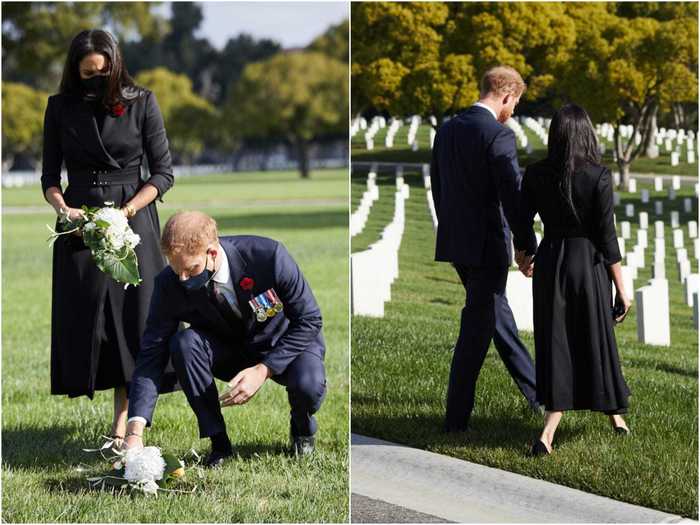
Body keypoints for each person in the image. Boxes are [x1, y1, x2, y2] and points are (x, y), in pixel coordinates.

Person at [41, 29, 174, 447]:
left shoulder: (143, 102)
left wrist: (128, 211)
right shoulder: (59, 107)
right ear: (75, 71)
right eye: (86, 74)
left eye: (102, 72)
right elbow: (49, 177)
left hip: (132, 219)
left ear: (115, 66)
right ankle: (109, 405)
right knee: (90, 323)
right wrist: (64, 209)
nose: (95, 80)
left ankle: (125, 424)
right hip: (81, 222)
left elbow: (163, 173)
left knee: (132, 323)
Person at [123, 211, 327, 466]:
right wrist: (134, 431)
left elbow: (309, 320)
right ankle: (219, 443)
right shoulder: (169, 284)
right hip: (228, 350)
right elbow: (151, 352)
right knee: (184, 344)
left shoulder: (269, 257)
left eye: (190, 269)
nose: (182, 279)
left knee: (308, 386)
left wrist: (264, 370)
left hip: (285, 342)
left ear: (212, 252)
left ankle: (301, 428)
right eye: (176, 269)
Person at [514, 103, 632, 456]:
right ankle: (590, 420)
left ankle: (559, 428)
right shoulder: (598, 176)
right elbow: (606, 237)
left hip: (551, 262)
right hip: (588, 265)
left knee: (557, 343)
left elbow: (521, 219)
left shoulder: (536, 173)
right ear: (587, 134)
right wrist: (623, 290)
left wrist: (526, 253)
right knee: (595, 339)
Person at [430, 65, 541, 433]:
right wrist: (528, 246)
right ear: (506, 95)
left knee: (498, 318)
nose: (515, 112)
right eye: (516, 104)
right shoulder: (498, 135)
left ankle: (538, 394)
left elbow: (438, 188)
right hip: (487, 246)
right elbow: (512, 195)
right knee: (475, 334)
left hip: (457, 245)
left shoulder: (446, 131)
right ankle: (455, 420)